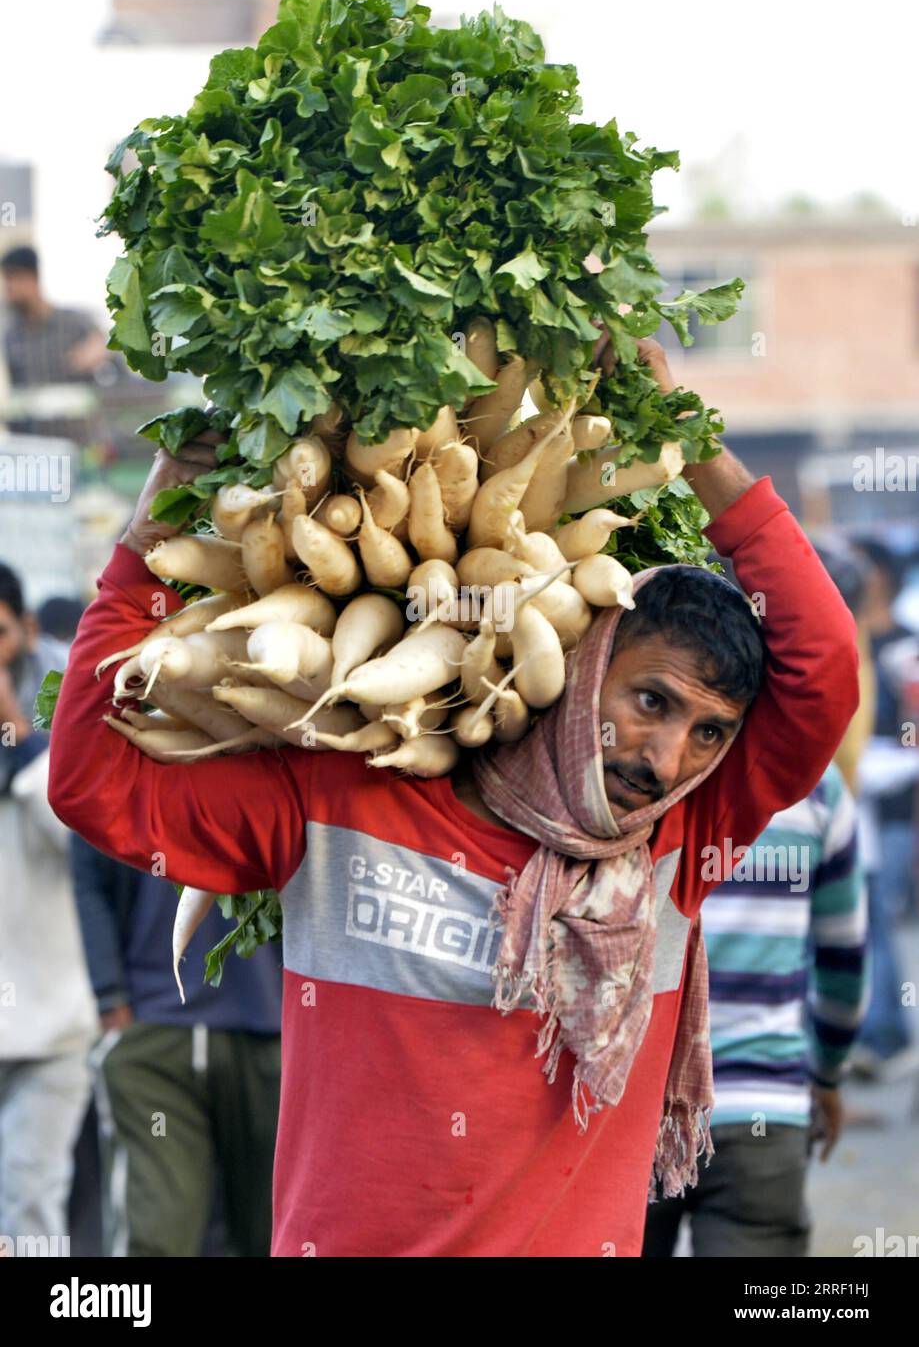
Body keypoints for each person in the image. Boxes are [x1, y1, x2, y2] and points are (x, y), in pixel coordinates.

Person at [47, 337, 860, 1257]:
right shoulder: (342, 794)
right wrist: (149, 534)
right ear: (585, 661)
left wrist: (688, 433)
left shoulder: (681, 838)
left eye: (708, 733)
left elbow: (824, 664)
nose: (666, 757)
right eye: (649, 703)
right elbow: (92, 782)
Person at [642, 761, 869, 1257]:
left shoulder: (651, 764)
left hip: (636, 1110)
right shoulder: (817, 788)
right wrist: (828, 1076)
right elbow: (845, 963)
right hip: (763, 1113)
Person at [70, 836, 283, 1257]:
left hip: (268, 1026)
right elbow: (86, 851)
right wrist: (110, 996)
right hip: (152, 1028)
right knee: (156, 1234)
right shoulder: (128, 768)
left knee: (279, 1230)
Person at [0, 563, 99, 1247]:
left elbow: (77, 842)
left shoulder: (55, 733)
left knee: (31, 1208)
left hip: (50, 1031)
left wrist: (14, 728)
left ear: (24, 633)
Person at [847, 538, 919, 1078]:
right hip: (853, 808)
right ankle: (865, 1032)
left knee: (876, 917)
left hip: (893, 811)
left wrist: (873, 765)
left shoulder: (903, 650)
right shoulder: (850, 644)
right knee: (857, 919)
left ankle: (888, 1036)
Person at [1, 245, 108, 388]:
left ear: (34, 277)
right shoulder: (10, 334)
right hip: (31, 409)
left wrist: (100, 348)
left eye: (12, 278)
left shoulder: (73, 322)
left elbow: (107, 344)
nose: (8, 288)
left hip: (77, 408)